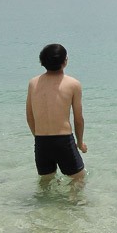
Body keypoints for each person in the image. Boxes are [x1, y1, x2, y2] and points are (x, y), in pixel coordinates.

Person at [26, 43, 87, 183]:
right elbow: (79, 119)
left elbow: (29, 116)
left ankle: (46, 206)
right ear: (65, 61)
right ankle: (73, 204)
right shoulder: (73, 84)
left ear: (42, 62)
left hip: (41, 141)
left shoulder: (33, 83)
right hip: (63, 140)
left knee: (46, 181)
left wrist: (39, 138)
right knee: (78, 179)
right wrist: (80, 143)